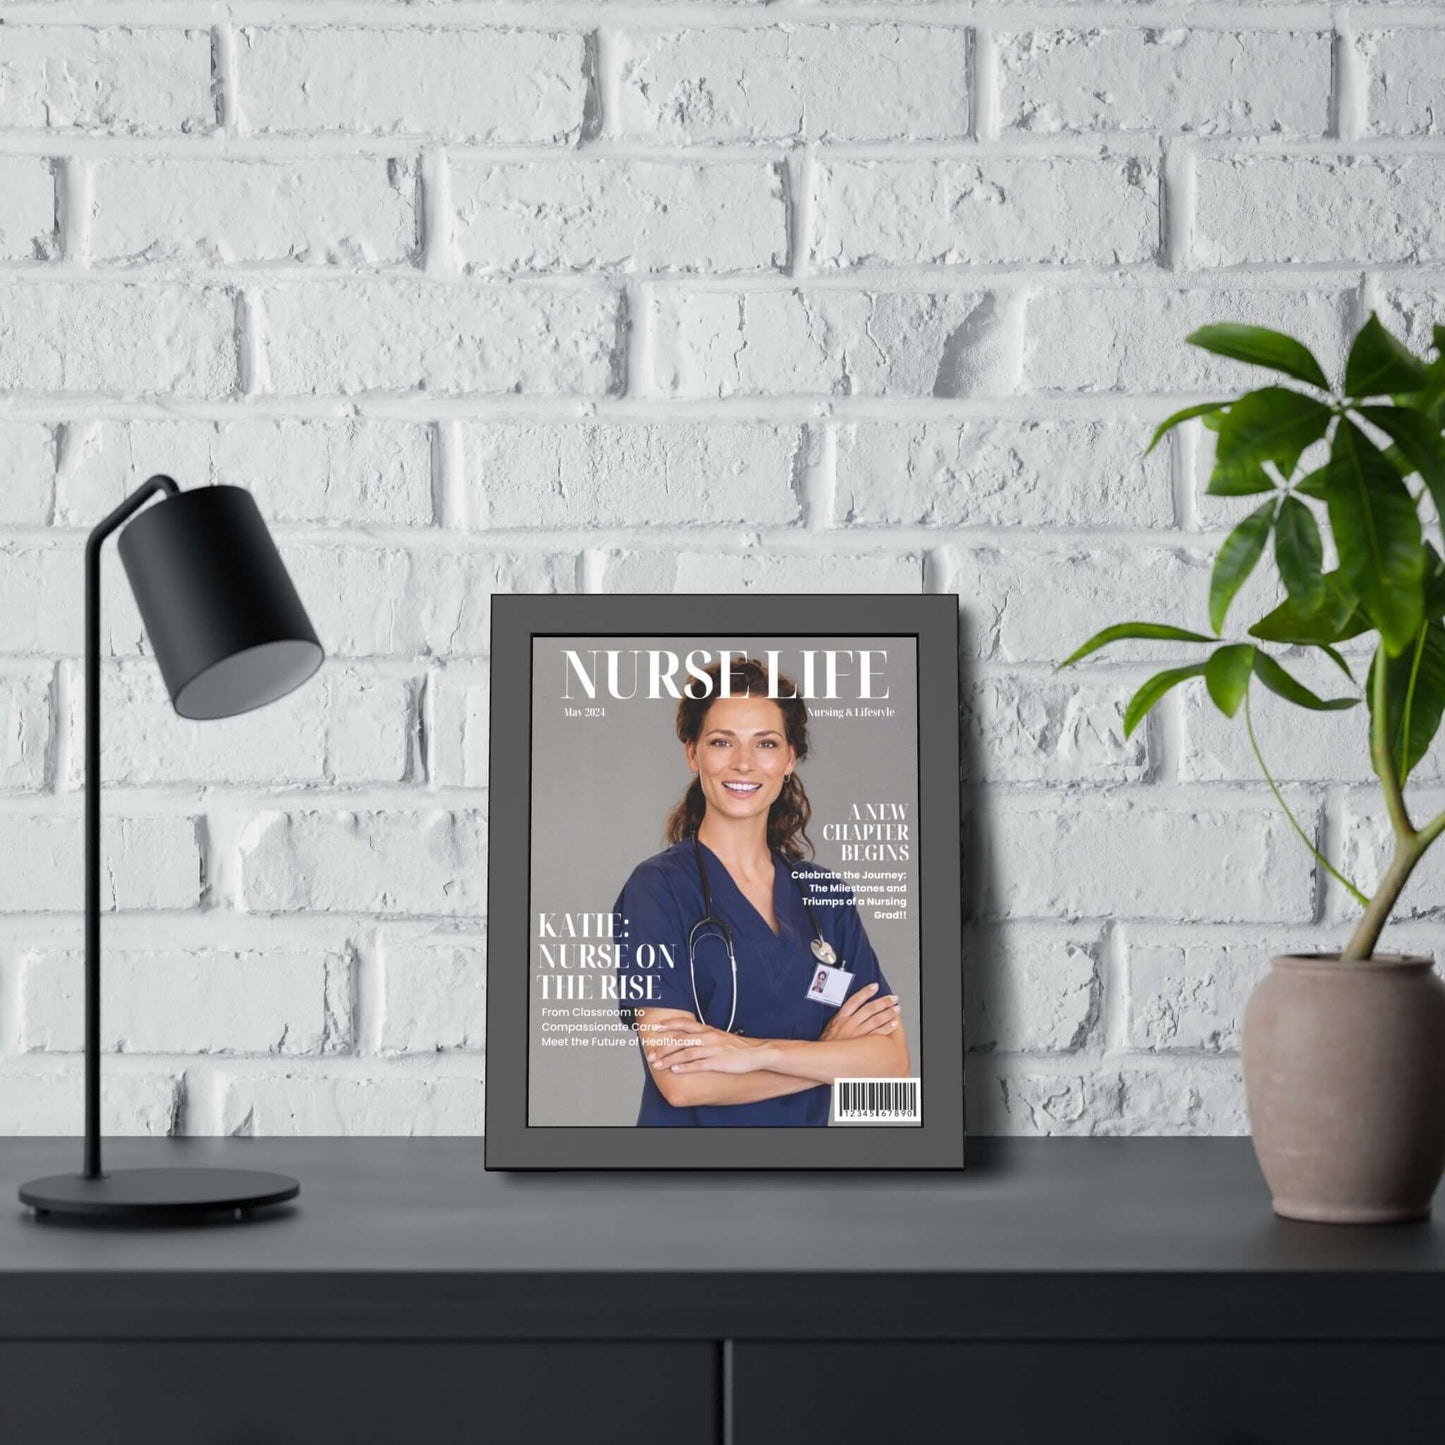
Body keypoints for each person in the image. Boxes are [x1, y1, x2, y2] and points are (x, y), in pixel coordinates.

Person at [613, 657, 910, 1126]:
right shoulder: (656, 891)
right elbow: (682, 1083)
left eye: (766, 744)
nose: (744, 763)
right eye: (721, 742)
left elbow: (891, 1065)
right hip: (683, 1182)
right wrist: (826, 1058)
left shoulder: (824, 896)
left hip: (803, 1184)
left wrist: (752, 1053)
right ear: (693, 754)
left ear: (789, 758)